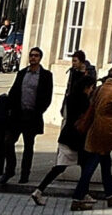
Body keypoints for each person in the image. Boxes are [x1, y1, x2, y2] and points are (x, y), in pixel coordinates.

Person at [30, 54, 97, 205]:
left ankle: (39, 191)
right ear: (86, 87)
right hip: (76, 139)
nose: (91, 90)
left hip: (67, 136)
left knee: (61, 167)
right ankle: (81, 194)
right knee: (83, 166)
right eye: (91, 88)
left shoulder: (72, 97)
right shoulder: (84, 101)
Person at [72, 65, 112, 210]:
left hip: (95, 130)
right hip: (105, 133)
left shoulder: (100, 88)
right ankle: (77, 198)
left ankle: (111, 195)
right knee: (91, 166)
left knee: (106, 164)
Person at [0, 44, 54, 187]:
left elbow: (47, 97)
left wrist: (39, 111)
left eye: (36, 56)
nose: (33, 58)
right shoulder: (22, 73)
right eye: (31, 55)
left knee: (28, 146)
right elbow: (14, 91)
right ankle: (9, 170)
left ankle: (25, 173)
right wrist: (9, 109)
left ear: (40, 58)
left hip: (32, 116)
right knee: (8, 142)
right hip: (18, 114)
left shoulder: (46, 76)